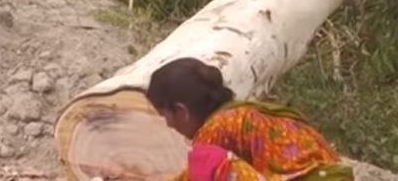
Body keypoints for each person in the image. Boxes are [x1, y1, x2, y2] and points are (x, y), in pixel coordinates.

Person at [147, 58, 354, 181]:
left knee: (210, 161)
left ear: (181, 111)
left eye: (166, 117)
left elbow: (195, 175)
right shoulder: (243, 116)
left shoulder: (218, 127)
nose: (168, 125)